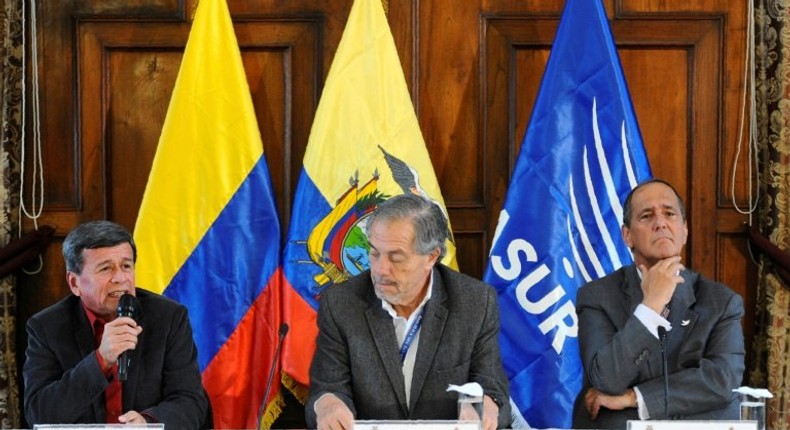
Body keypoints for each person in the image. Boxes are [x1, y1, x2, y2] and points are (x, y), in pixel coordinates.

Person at [306, 193, 511, 430]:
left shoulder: (474, 302)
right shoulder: (341, 303)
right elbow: (328, 386)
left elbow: (491, 386)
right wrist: (328, 405)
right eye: (374, 253)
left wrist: (482, 407)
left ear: (431, 257)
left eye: (396, 257)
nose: (380, 269)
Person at [572, 178, 745, 429]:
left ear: (684, 230)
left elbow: (722, 380)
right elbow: (606, 379)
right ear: (627, 236)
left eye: (669, 213)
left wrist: (634, 397)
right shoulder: (597, 296)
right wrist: (650, 306)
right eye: (646, 216)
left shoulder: (722, 302)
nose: (661, 223)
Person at [23, 220, 210, 428]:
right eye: (105, 269)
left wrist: (148, 422)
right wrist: (101, 360)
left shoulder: (169, 318)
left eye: (126, 266)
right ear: (75, 283)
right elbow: (39, 413)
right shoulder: (46, 327)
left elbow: (191, 403)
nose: (121, 278)